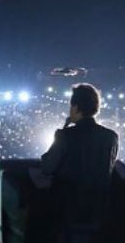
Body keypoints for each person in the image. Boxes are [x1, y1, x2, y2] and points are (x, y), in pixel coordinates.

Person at [38, 82, 119, 226]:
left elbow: (47, 167)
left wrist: (63, 130)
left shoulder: (65, 135)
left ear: (75, 107)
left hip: (68, 211)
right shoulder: (111, 136)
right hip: (98, 211)